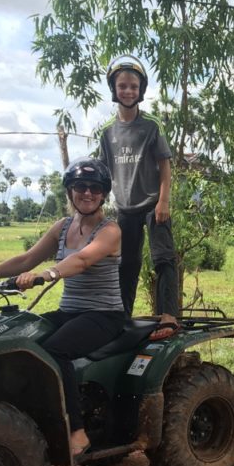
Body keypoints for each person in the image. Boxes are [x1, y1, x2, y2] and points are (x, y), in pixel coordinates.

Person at [0, 159, 125, 461]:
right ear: (70, 191)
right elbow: (26, 260)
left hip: (104, 315)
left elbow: (82, 261)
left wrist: (48, 275)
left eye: (95, 188)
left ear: (104, 194)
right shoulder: (63, 227)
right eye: (81, 187)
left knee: (56, 351)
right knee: (21, 341)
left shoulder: (110, 231)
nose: (87, 193)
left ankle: (76, 431)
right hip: (70, 311)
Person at [98, 55, 180, 340]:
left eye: (134, 86)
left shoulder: (151, 126)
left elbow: (164, 165)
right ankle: (122, 316)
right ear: (114, 88)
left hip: (153, 204)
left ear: (141, 90)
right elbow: (104, 172)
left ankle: (169, 315)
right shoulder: (107, 132)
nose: (128, 91)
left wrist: (164, 201)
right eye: (123, 86)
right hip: (125, 208)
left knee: (163, 259)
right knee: (127, 264)